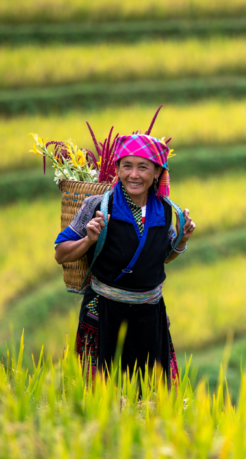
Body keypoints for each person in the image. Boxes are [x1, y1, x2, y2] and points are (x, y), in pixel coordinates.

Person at [54, 134, 195, 386]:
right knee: (101, 394)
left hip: (149, 316)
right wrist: (88, 239)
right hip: (104, 312)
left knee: (149, 396)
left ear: (156, 174)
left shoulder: (163, 209)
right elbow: (60, 253)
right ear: (117, 170)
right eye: (127, 166)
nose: (134, 174)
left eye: (143, 167)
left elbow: (160, 258)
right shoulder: (98, 205)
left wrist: (181, 240)